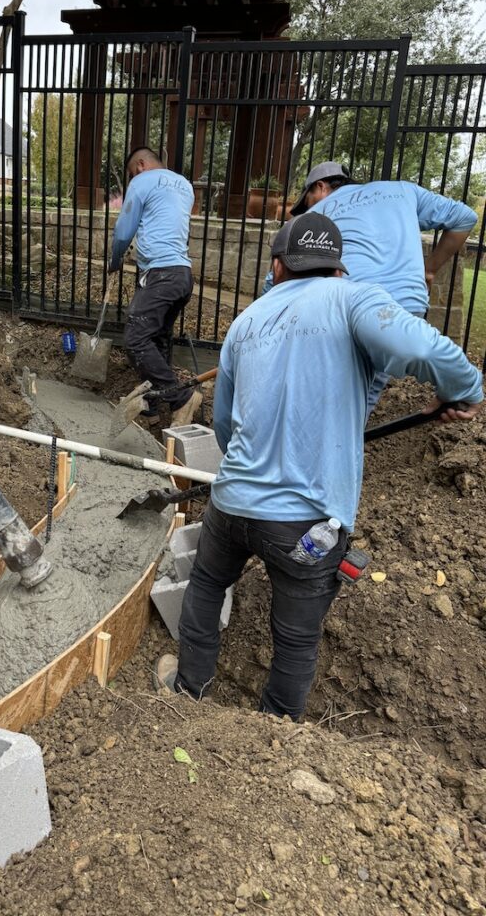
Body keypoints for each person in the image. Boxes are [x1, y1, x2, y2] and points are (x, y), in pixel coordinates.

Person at [154, 213, 482, 719]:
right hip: (307, 526)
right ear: (336, 267)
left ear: (279, 266)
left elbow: (223, 426)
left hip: (233, 502)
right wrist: (465, 390)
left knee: (205, 587)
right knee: (296, 636)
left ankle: (189, 690)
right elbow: (420, 347)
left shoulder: (246, 322)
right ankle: (278, 733)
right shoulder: (355, 298)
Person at [286, 161, 478, 411]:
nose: (308, 207)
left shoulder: (313, 216)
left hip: (345, 308)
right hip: (405, 305)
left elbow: (281, 277)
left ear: (320, 187)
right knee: (366, 387)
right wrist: (429, 269)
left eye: (308, 199)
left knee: (322, 387)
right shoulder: (403, 190)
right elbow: (465, 218)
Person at [108, 146, 201, 427]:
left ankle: (181, 399)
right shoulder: (184, 186)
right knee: (157, 338)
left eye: (130, 174)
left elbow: (124, 230)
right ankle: (151, 405)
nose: (130, 180)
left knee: (136, 339)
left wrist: (114, 260)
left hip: (161, 274)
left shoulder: (142, 180)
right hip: (182, 276)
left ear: (140, 165)